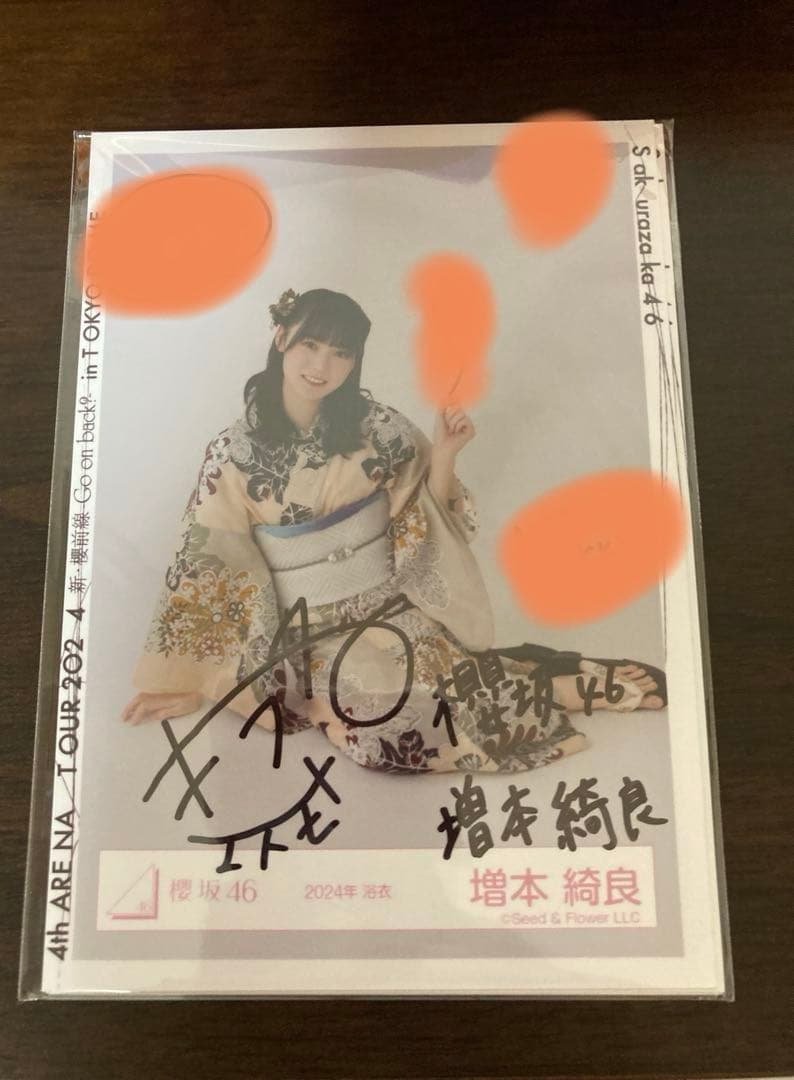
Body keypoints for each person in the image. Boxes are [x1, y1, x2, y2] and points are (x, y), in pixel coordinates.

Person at [121, 288, 666, 774]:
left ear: (354, 360)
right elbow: (211, 560)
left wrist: (445, 454)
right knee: (383, 727)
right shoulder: (233, 453)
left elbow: (424, 511)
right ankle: (548, 684)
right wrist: (190, 680)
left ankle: (562, 687)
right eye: (310, 344)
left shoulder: (378, 428)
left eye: (341, 353)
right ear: (281, 337)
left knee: (446, 681)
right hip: (306, 631)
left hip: (387, 605)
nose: (322, 365)